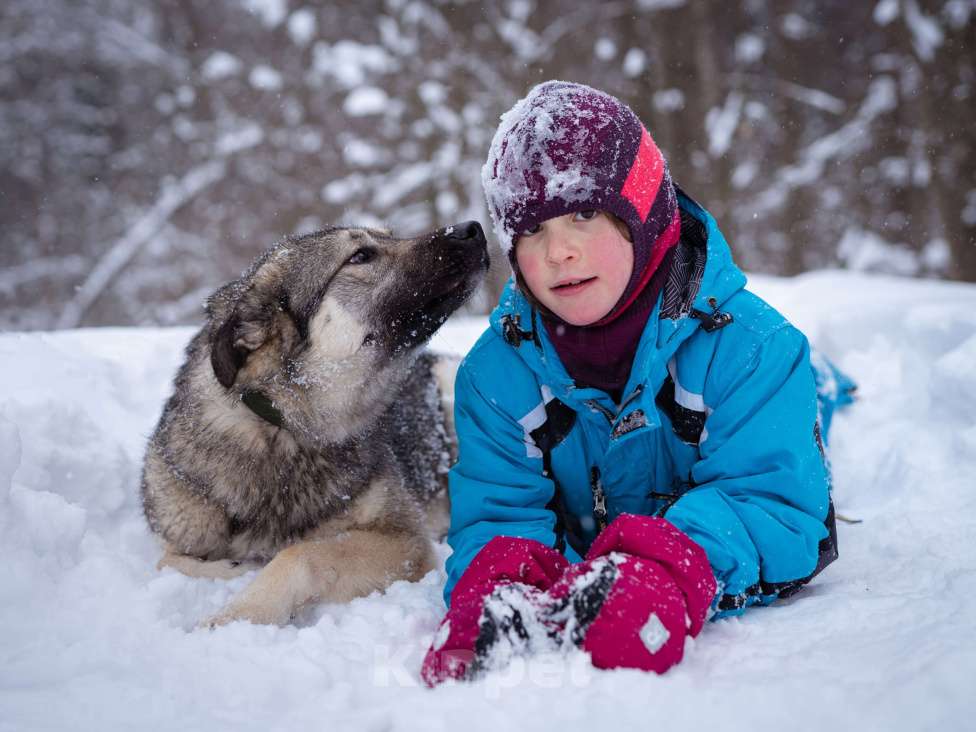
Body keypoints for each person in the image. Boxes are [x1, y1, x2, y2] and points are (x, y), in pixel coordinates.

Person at [421, 81, 854, 685]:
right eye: (531, 230)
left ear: (643, 212)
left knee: (807, 406)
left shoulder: (755, 349)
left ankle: (829, 384)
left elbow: (777, 506)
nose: (558, 253)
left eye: (583, 213)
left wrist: (671, 566)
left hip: (742, 398)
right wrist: (500, 581)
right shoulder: (496, 379)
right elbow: (497, 512)